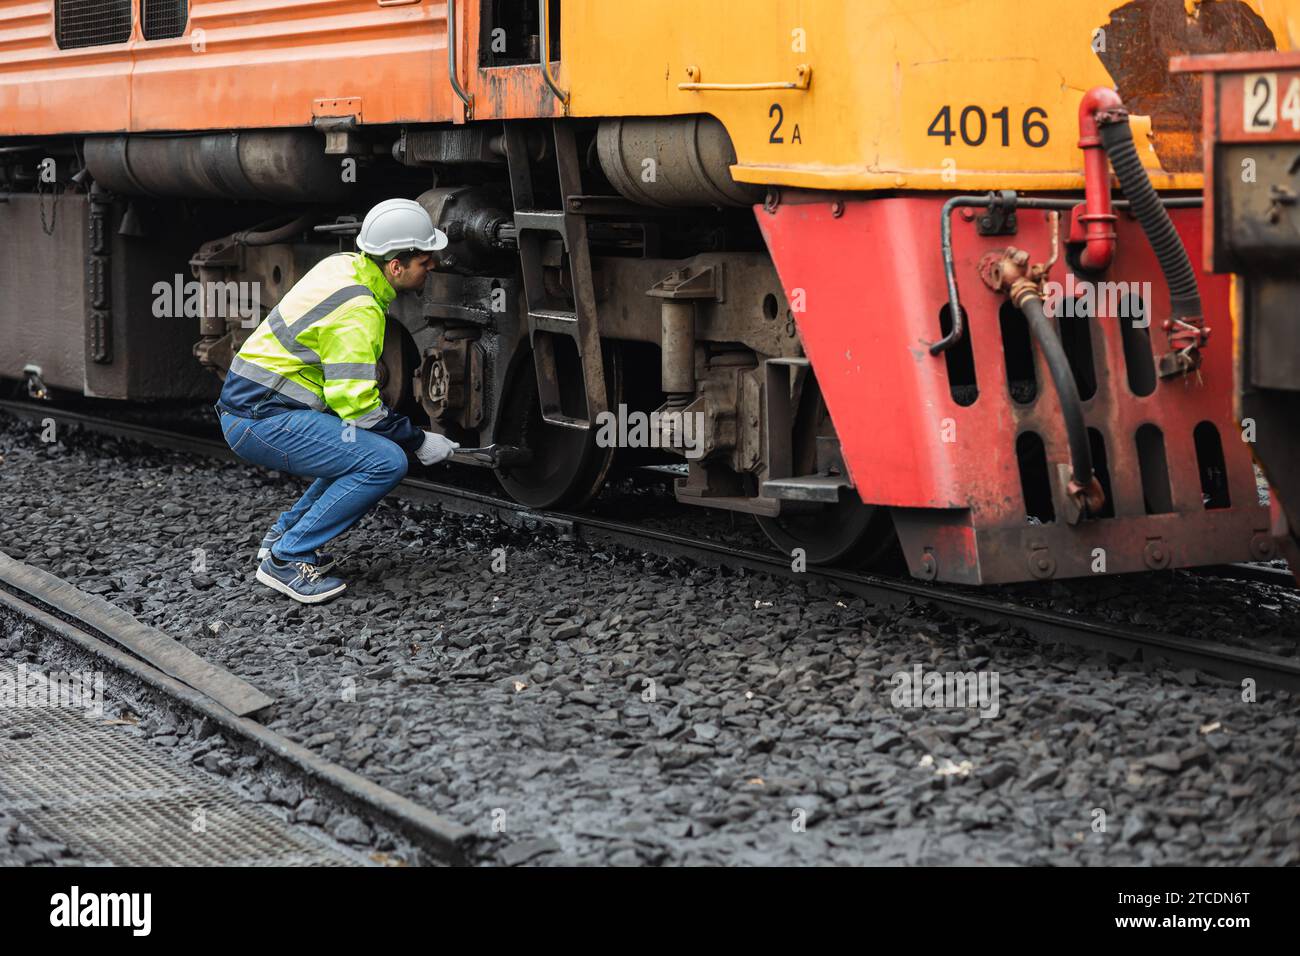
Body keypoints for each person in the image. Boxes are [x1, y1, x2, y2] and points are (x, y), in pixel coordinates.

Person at [215, 199, 459, 604]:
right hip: (258, 418)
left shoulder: (344, 264)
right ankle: (286, 559)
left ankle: (281, 537)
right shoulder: (359, 310)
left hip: (257, 408)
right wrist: (417, 441)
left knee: (357, 450)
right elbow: (359, 407)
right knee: (385, 461)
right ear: (395, 266)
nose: (431, 267)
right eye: (424, 260)